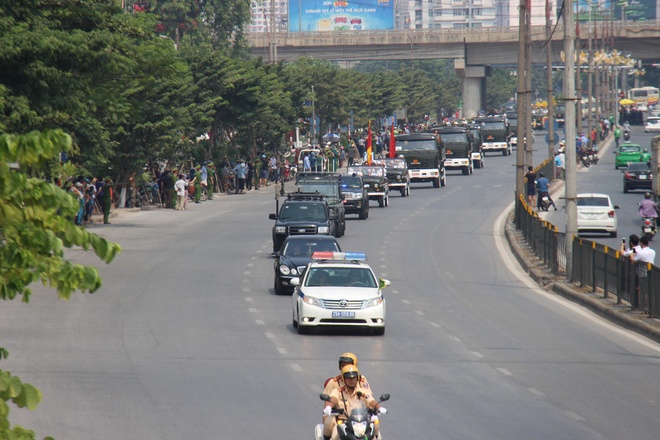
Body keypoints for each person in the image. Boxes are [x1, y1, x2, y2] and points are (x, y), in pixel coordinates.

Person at [322, 365, 386, 440]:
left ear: (357, 378)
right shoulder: (338, 391)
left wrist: (379, 408)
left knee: (375, 437)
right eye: (348, 378)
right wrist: (329, 406)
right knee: (335, 436)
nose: (351, 380)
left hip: (360, 423)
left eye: (353, 378)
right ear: (343, 378)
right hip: (343, 423)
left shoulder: (362, 392)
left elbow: (370, 400)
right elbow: (333, 399)